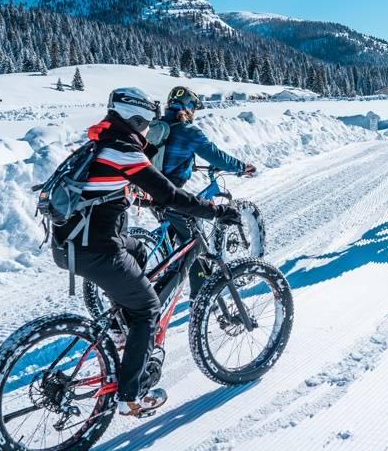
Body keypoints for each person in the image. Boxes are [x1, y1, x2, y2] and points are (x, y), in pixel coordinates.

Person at [58, 87, 241, 417]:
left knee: (139, 250)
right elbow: (169, 194)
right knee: (147, 309)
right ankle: (132, 394)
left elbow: (113, 190)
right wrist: (213, 212)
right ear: (136, 118)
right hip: (95, 248)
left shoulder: (101, 144)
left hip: (70, 243)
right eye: (146, 123)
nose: (148, 130)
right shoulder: (124, 150)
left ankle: (120, 328)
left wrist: (141, 199)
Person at [156, 86, 256, 290]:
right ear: (187, 107)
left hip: (152, 189)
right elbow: (216, 155)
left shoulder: (157, 127)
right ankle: (199, 296)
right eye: (192, 106)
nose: (193, 111)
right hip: (172, 194)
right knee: (194, 243)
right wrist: (241, 167)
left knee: (175, 235)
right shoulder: (188, 131)